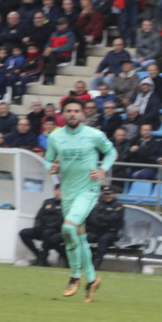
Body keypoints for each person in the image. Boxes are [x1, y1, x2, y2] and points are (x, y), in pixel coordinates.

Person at [43, 98, 118, 302]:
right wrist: (50, 168)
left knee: (68, 228)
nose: (73, 114)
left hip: (88, 190)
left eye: (76, 111)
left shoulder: (93, 135)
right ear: (63, 114)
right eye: (69, 111)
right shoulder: (56, 137)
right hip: (68, 191)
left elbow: (111, 151)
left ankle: (74, 276)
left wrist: (102, 170)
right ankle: (92, 280)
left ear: (83, 114)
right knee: (79, 237)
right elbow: (48, 159)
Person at [20, 186, 64, 266]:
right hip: (42, 229)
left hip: (54, 230)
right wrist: (37, 226)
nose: (59, 192)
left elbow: (61, 220)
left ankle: (43, 257)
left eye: (61, 190)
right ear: (55, 191)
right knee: (23, 233)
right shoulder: (47, 202)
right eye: (58, 190)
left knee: (46, 233)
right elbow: (39, 217)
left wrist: (48, 227)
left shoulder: (66, 204)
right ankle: (38, 254)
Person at [85, 186, 125, 269]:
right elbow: (92, 217)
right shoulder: (98, 203)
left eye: (109, 194)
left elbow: (114, 218)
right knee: (83, 238)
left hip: (111, 232)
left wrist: (101, 217)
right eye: (105, 194)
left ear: (114, 194)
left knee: (104, 239)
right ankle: (87, 258)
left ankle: (97, 262)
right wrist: (104, 221)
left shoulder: (118, 205)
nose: (107, 196)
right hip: (98, 230)